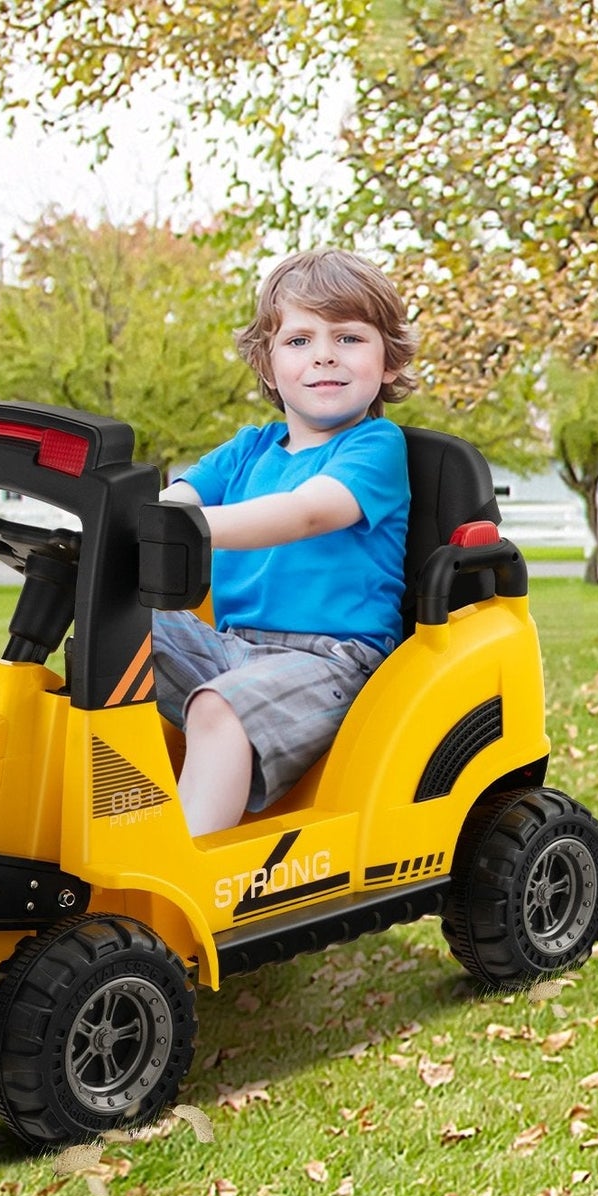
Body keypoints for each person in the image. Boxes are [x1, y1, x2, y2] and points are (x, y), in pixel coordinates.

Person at [152, 249, 418, 839]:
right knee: (111, 630)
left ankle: (185, 881)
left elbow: (306, 513)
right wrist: (115, 532)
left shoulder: (375, 446)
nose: (324, 353)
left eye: (348, 338)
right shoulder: (249, 448)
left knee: (220, 707)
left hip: (331, 661)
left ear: (390, 362)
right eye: (299, 341)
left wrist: (187, 531)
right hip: (230, 646)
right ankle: (96, 814)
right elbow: (177, 502)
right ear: (270, 368)